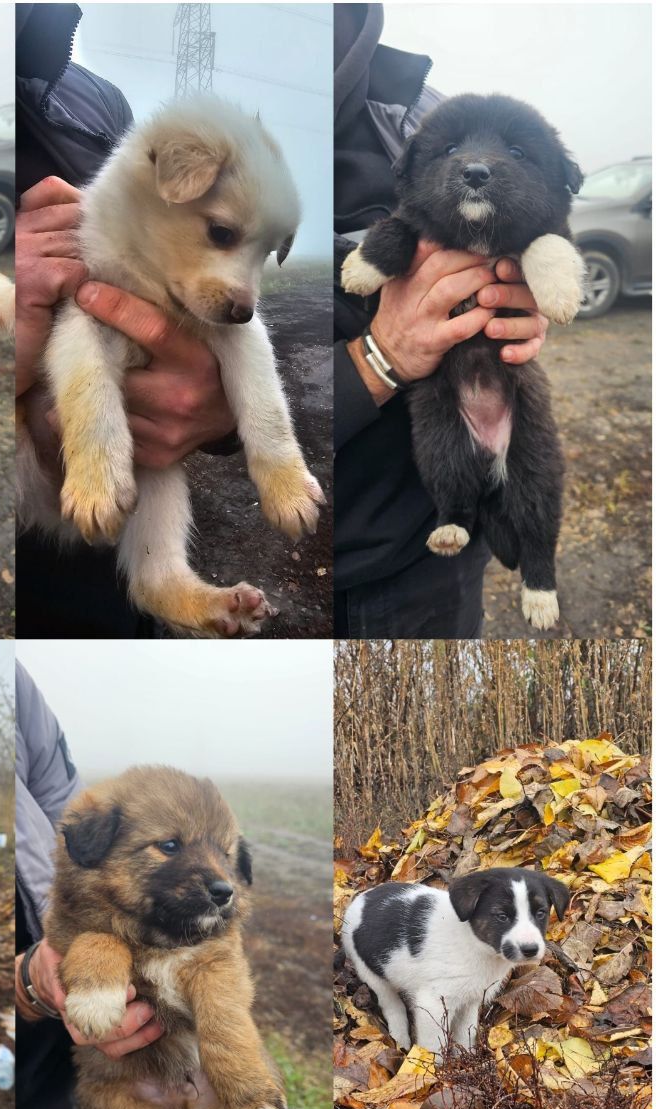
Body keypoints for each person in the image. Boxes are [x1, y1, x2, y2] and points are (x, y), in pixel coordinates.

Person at [15, 2, 245, 638]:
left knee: (156, 467)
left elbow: (183, 276)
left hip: (99, 549)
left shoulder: (97, 107)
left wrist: (214, 405)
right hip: (1, 482)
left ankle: (163, 578)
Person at [332, 2, 550, 638]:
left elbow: (531, 225)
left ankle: (520, 547)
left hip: (425, 555)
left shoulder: (424, 111)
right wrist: (377, 356)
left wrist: (522, 299)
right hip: (318, 536)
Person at [13, 664, 163, 1109]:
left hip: (56, 1079)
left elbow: (71, 823)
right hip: (17, 1053)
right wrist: (29, 980)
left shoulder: (11, 688)